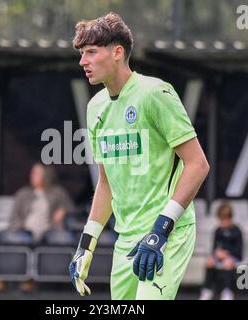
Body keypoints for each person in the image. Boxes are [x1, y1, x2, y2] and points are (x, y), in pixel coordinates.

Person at [68, 13, 210, 300]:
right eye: (82, 54)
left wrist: (160, 229)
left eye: (92, 52)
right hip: (126, 239)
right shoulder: (95, 107)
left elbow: (197, 165)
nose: (83, 62)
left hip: (168, 233)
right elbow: (106, 184)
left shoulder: (154, 93)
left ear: (117, 52)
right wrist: (86, 244)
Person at [0, 162, 75, 292]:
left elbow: (72, 208)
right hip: (25, 231)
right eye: (32, 173)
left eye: (36, 173)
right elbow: (14, 218)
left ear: (46, 175)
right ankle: (1, 277)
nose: (32, 176)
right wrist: (21, 226)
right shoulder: (23, 193)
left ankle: (31, 280)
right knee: (4, 236)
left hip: (49, 231)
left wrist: (63, 211)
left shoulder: (57, 192)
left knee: (58, 238)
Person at [199, 203, 243, 300]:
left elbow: (239, 251)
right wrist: (217, 253)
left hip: (233, 258)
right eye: (221, 220)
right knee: (209, 262)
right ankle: (207, 290)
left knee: (227, 263)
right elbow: (214, 248)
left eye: (225, 220)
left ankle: (227, 292)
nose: (223, 223)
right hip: (219, 258)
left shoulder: (237, 231)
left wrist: (227, 254)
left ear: (230, 218)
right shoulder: (217, 230)